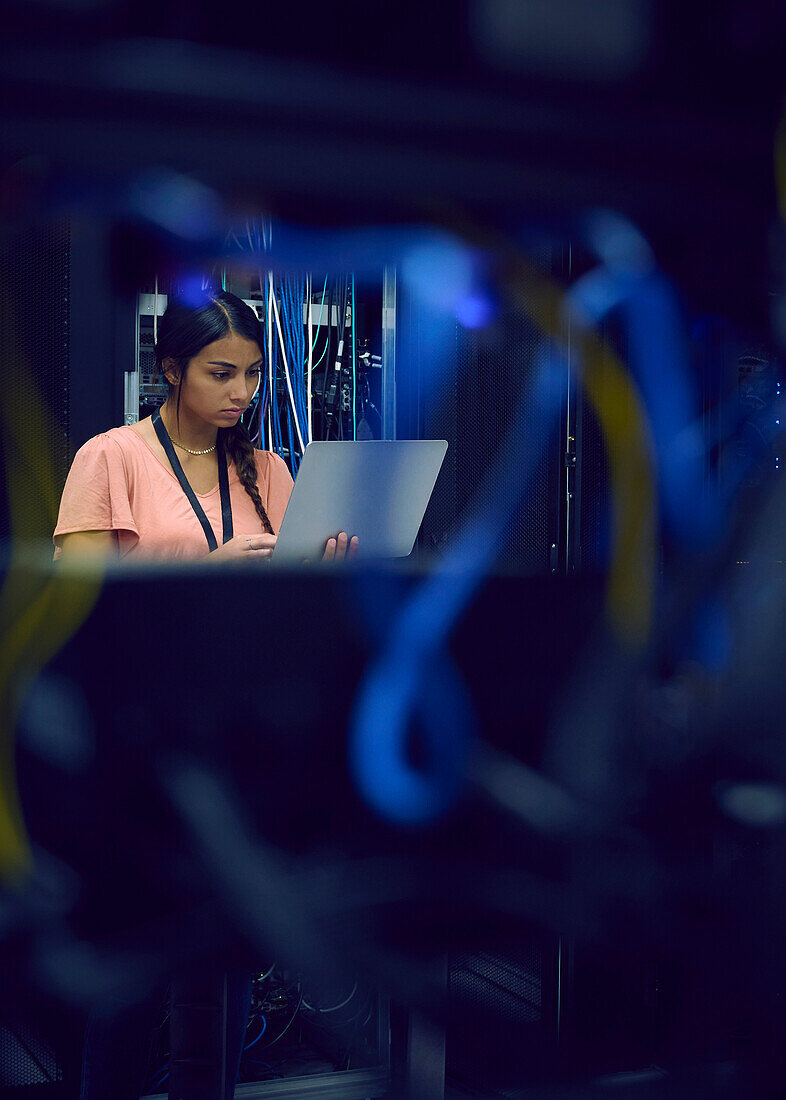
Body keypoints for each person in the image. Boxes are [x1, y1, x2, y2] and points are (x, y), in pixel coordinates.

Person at [53, 290, 357, 1098]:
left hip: (243, 748)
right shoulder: (110, 457)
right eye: (223, 373)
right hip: (142, 753)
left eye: (254, 375)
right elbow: (77, 609)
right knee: (128, 986)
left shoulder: (268, 470)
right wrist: (206, 575)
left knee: (217, 981)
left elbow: (291, 615)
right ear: (171, 369)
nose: (244, 393)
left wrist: (325, 574)